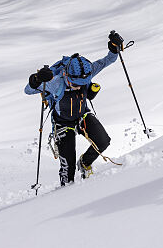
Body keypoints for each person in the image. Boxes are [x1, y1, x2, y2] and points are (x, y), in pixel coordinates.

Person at [26, 32, 125, 185]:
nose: (79, 86)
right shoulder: (55, 82)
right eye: (75, 83)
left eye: (82, 82)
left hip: (82, 116)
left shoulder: (88, 71)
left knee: (103, 141)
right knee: (68, 169)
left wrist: (114, 48)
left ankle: (85, 163)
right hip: (62, 124)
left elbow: (108, 60)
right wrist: (37, 79)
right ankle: (66, 193)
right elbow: (28, 89)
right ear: (66, 75)